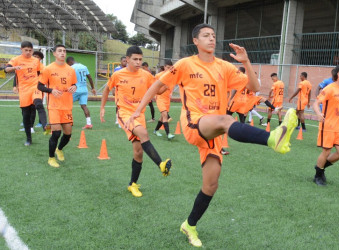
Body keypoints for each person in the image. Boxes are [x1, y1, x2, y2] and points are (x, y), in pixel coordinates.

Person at [125, 23, 297, 247]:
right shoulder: (185, 64)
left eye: (214, 35)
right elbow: (156, 85)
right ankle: (272, 139)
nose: (211, 39)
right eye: (206, 35)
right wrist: (137, 112)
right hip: (194, 123)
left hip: (213, 132)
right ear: (195, 41)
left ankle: (190, 224)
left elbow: (253, 87)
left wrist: (246, 61)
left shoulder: (224, 67)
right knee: (227, 120)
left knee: (211, 184)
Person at [100, 46, 172, 198]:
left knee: (138, 152)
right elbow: (107, 89)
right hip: (125, 113)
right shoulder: (118, 74)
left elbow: (157, 90)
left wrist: (168, 82)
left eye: (140, 59)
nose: (138, 62)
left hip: (139, 115)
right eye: (135, 59)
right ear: (127, 59)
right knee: (143, 133)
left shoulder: (146, 75)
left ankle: (132, 184)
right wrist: (102, 108)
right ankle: (161, 164)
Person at [38, 44, 78, 168]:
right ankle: (51, 158)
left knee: (68, 134)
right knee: (56, 133)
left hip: (67, 106)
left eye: (64, 51)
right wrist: (51, 91)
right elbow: (40, 86)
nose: (62, 53)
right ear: (54, 54)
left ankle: (59, 149)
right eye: (59, 51)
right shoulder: (48, 69)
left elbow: (75, 84)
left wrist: (74, 87)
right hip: (54, 105)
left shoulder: (71, 70)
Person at [5, 41, 48, 146]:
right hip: (24, 90)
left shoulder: (36, 61)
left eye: (30, 50)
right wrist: (14, 68)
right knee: (26, 115)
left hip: (35, 87)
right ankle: (29, 138)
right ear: (21, 49)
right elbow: (6, 69)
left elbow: (45, 70)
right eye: (26, 50)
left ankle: (45, 126)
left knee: (38, 104)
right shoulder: (16, 60)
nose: (28, 52)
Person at [66, 57, 96, 129]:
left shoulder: (71, 68)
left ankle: (69, 121)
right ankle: (89, 124)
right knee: (84, 106)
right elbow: (90, 78)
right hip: (84, 90)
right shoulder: (84, 66)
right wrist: (93, 88)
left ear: (69, 62)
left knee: (67, 105)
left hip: (75, 89)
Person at [153, 60, 175, 140]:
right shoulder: (158, 75)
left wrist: (171, 92)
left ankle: (156, 130)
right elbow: (155, 87)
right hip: (160, 98)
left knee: (162, 117)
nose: (169, 69)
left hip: (167, 99)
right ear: (164, 67)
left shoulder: (172, 76)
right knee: (165, 115)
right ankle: (168, 134)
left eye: (170, 68)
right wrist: (155, 95)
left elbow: (172, 85)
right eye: (167, 68)